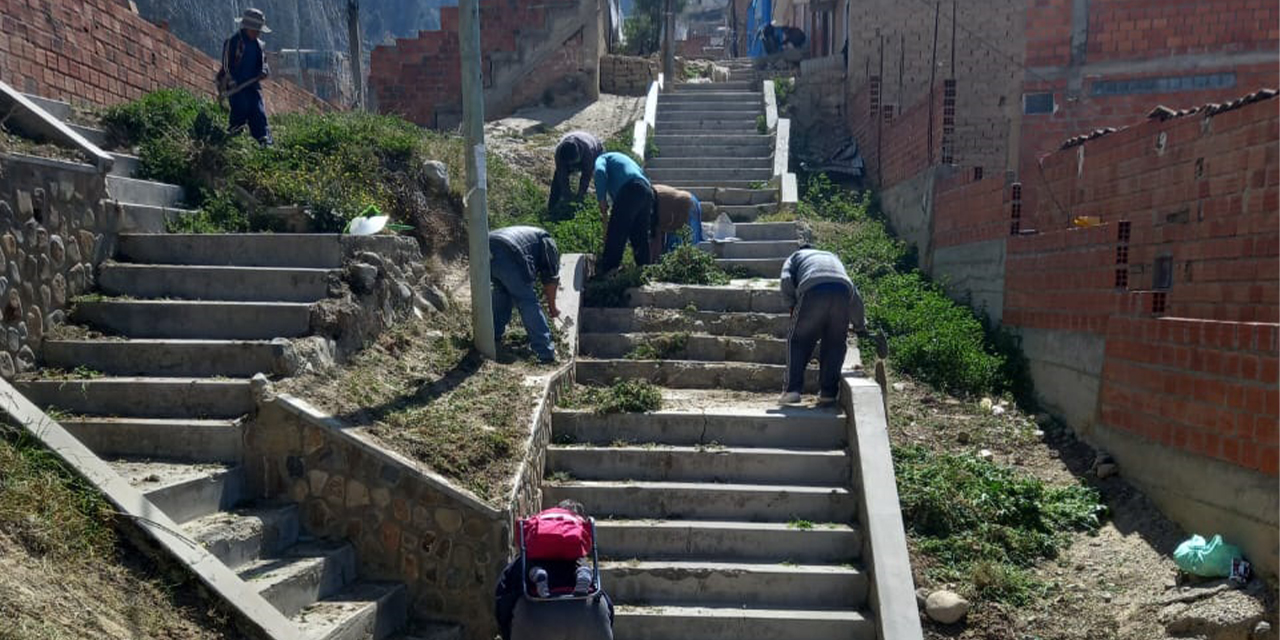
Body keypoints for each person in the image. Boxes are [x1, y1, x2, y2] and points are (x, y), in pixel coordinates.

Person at [495, 500, 615, 640]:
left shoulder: (523, 561)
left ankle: (538, 575)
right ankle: (580, 577)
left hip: (534, 617)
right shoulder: (580, 562)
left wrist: (506, 632)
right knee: (585, 574)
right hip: (590, 614)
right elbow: (607, 603)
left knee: (530, 574)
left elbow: (502, 597)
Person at [778, 246, 866, 405]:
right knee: (835, 344)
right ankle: (828, 393)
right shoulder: (833, 257)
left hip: (813, 289)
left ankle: (792, 391)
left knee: (797, 340)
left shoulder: (795, 256)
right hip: (842, 292)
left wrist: (791, 306)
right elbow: (855, 295)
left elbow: (786, 279)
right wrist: (860, 325)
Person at [490, 226, 561, 363]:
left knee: (502, 293)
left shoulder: (534, 236)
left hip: (485, 246)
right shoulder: (547, 241)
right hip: (509, 250)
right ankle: (545, 352)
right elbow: (550, 279)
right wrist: (552, 308)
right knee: (527, 301)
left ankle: (492, 337)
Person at [218, 8, 273, 145]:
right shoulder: (234, 41)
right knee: (240, 109)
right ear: (247, 27)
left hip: (252, 86)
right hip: (236, 85)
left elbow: (264, 63)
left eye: (259, 30)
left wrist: (264, 71)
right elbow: (226, 65)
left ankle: (264, 141)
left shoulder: (259, 45)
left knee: (258, 112)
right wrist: (230, 81)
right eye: (255, 30)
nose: (257, 33)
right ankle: (233, 139)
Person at [594, 151, 655, 274]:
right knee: (639, 235)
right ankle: (644, 270)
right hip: (647, 191)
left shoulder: (601, 158)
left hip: (630, 189)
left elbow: (599, 172)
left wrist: (601, 199)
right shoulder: (622, 160)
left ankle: (608, 270)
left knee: (616, 231)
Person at [549, 131, 604, 216]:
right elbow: (562, 176)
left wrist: (579, 197)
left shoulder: (588, 152)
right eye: (569, 163)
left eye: (573, 162)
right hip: (573, 147)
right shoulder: (559, 153)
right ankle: (551, 209)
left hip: (596, 149)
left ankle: (599, 205)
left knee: (600, 177)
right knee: (557, 179)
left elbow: (586, 177)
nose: (571, 165)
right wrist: (567, 195)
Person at [649, 184, 704, 263]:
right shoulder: (648, 194)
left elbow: (655, 236)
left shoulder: (648, 201)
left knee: (685, 248)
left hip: (686, 205)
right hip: (685, 202)